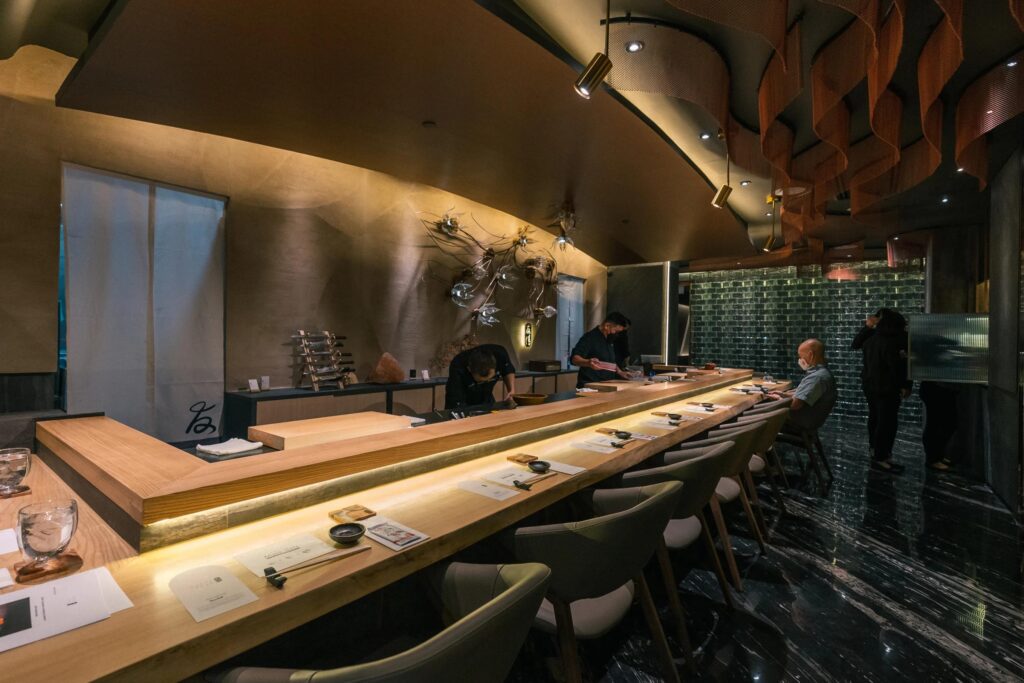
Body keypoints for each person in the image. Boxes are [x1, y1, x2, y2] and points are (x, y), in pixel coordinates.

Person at [852, 308, 912, 473]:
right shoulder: (894, 339)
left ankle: (877, 452)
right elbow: (899, 367)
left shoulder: (873, 338)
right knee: (886, 421)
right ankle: (881, 456)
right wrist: (906, 385)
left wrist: (868, 327)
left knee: (877, 418)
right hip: (887, 387)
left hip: (871, 385)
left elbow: (856, 344)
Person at [769, 338, 837, 433]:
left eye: (800, 356)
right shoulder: (823, 373)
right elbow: (803, 396)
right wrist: (783, 395)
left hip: (798, 423)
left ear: (810, 355)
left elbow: (795, 405)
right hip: (810, 421)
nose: (800, 360)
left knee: (758, 417)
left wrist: (779, 400)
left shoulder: (817, 377)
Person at [571, 312, 634, 387]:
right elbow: (574, 359)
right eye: (616, 331)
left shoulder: (609, 339)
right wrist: (588, 362)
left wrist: (620, 372)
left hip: (606, 384)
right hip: (590, 386)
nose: (617, 334)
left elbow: (609, 361)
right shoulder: (590, 338)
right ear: (607, 326)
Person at [444, 344, 515, 410]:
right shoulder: (458, 366)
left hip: (486, 397)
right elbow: (456, 403)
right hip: (463, 398)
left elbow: (508, 369)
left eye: (490, 379)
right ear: (469, 369)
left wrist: (511, 391)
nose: (486, 382)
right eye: (481, 381)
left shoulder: (500, 354)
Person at [919, 381, 959, 471]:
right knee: (935, 424)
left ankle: (937, 456)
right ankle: (933, 459)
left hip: (941, 387)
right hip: (936, 387)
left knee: (944, 423)